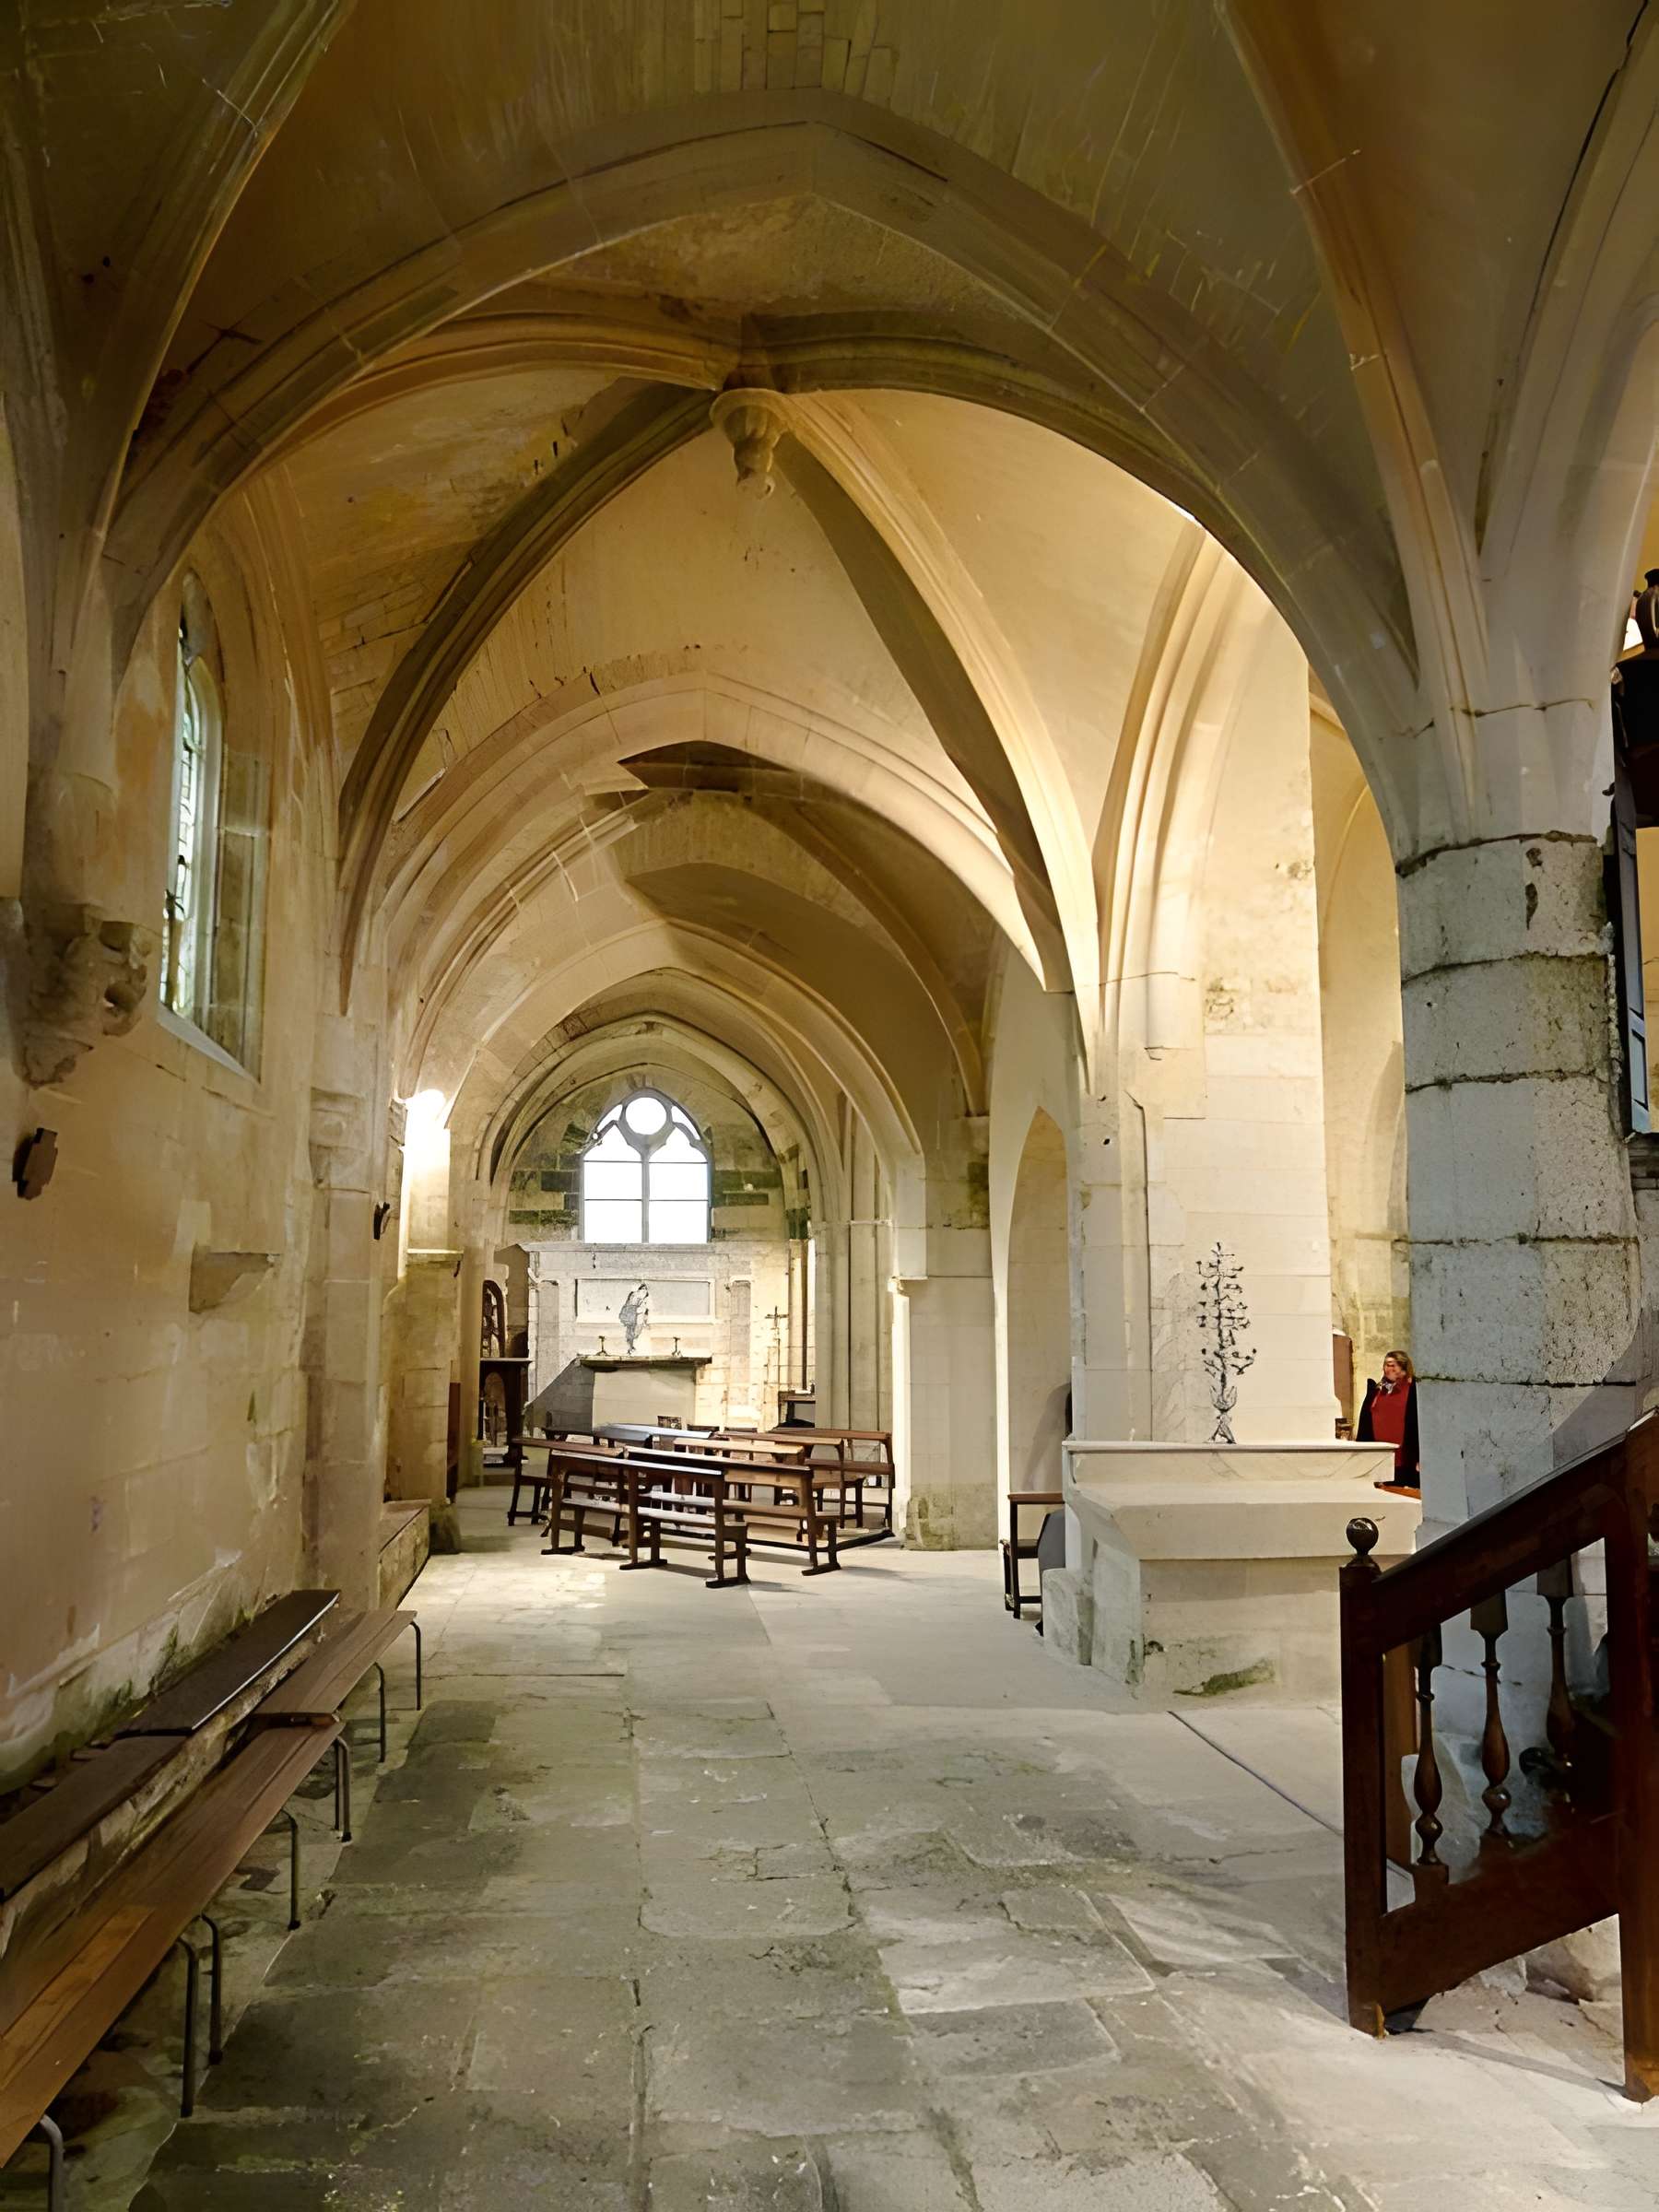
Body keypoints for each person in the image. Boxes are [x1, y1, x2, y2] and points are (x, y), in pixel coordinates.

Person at [1358, 1349, 1419, 1494]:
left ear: (1404, 1367)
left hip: (1404, 1457)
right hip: (1379, 1455)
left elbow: (1417, 1424)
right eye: (1386, 1365)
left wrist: (1419, 1457)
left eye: (1392, 1365)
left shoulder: (1413, 1390)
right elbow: (1366, 1421)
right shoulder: (1377, 1391)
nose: (1388, 1369)